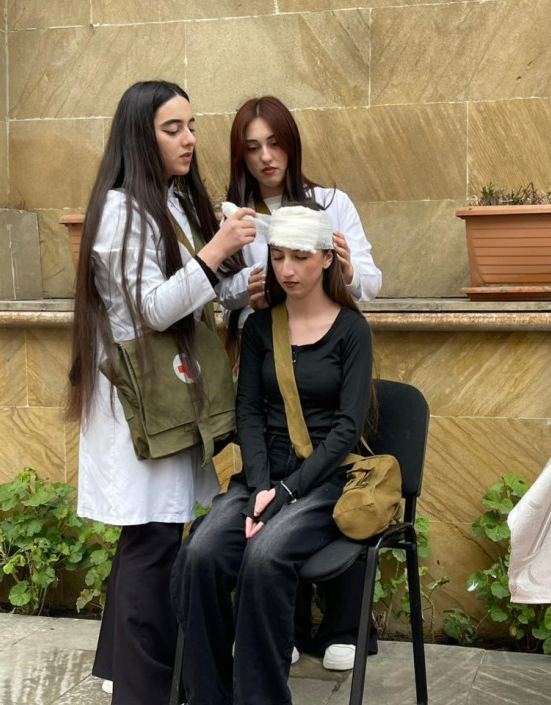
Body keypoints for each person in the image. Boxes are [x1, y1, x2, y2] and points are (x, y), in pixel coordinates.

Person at [66, 80, 257, 705]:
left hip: (167, 398)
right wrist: (217, 249)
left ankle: (130, 675)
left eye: (192, 126)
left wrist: (244, 285)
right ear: (139, 136)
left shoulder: (169, 202)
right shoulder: (122, 210)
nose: (189, 139)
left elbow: (194, 297)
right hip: (143, 402)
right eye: (172, 128)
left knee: (151, 539)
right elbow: (152, 309)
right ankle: (144, 690)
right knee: (151, 540)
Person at [171, 204, 374, 705]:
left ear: (326, 258)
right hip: (262, 475)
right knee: (199, 555)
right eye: (278, 256)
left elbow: (347, 429)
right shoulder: (261, 328)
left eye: (300, 257)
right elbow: (249, 413)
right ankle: (208, 697)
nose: (287, 269)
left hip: (322, 480)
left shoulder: (352, 330)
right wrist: (262, 486)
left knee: (264, 557)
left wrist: (285, 492)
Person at [221, 95, 382, 671]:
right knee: (269, 489)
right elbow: (219, 290)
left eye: (275, 143)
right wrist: (246, 291)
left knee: (330, 467)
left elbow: (370, 282)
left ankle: (342, 627)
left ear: (291, 143)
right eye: (252, 147)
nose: (266, 157)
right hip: (268, 353)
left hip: (328, 350)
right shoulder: (235, 217)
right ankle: (280, 629)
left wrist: (344, 267)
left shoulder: (332, 203)